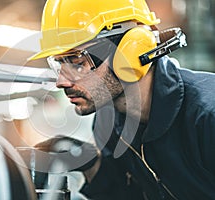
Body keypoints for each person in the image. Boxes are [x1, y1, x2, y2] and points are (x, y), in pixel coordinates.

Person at [29, 0, 215, 199]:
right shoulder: (107, 122)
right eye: (59, 65)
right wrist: (89, 162)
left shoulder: (207, 116)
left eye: (77, 63)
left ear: (130, 52)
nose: (61, 82)